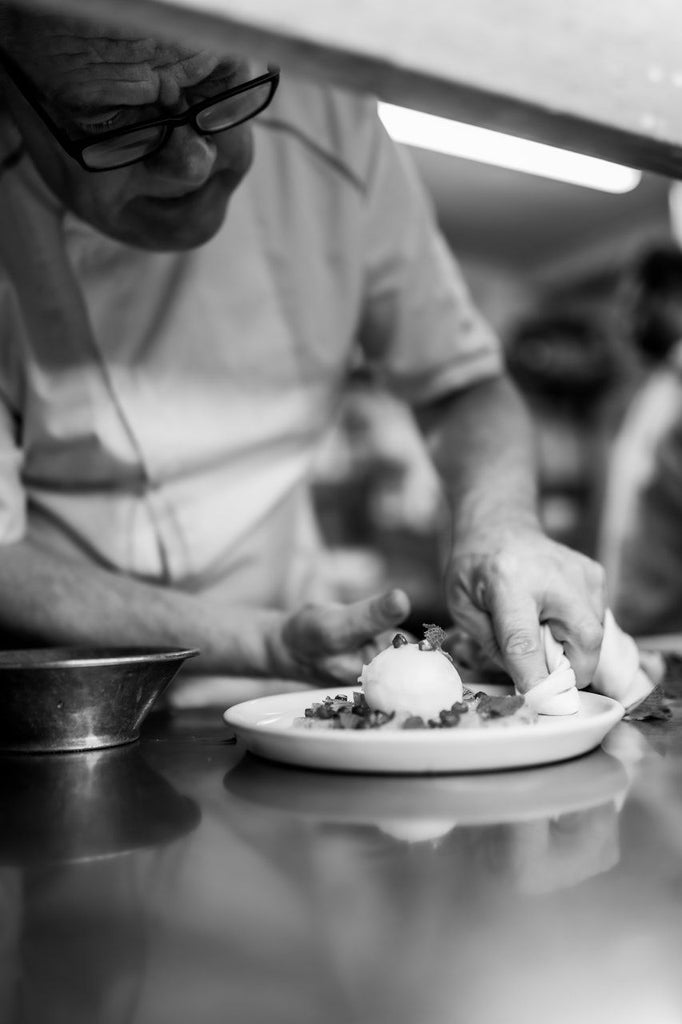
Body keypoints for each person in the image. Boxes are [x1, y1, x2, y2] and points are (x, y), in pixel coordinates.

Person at [0, 3, 606, 699]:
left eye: (218, 88)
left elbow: (461, 384)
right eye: (114, 122)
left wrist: (500, 523)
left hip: (300, 682)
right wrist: (261, 639)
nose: (193, 161)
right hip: (59, 698)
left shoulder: (330, 121)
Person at [599, 247, 682, 636]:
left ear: (671, 298)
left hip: (669, 631)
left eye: (635, 302)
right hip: (639, 628)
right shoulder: (657, 385)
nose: (625, 318)